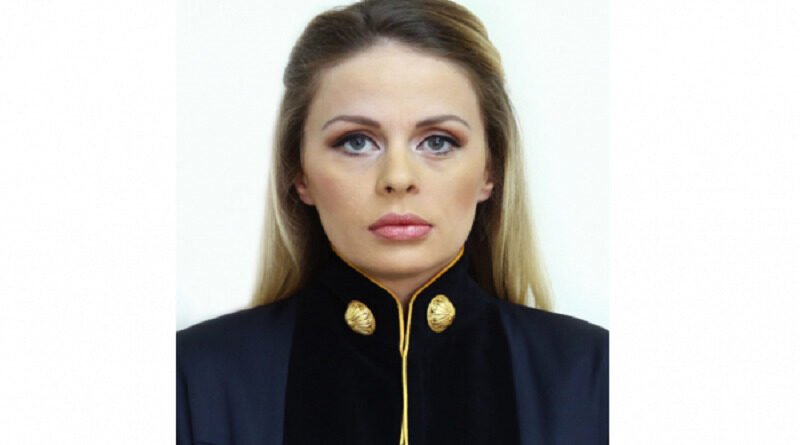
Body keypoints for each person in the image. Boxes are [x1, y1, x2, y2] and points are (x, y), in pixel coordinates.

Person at [177, 0, 608, 444]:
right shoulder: (194, 380)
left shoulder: (594, 376)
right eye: (356, 142)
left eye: (438, 142)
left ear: (490, 169)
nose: (398, 178)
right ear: (299, 172)